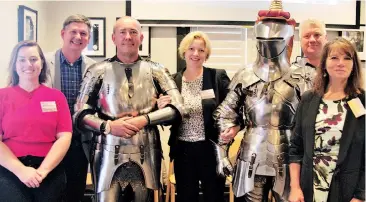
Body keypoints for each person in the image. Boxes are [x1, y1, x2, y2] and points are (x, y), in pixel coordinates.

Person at [73, 16, 185, 202]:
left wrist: (145, 119)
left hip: (146, 149)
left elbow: (178, 107)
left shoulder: (156, 70)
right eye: (122, 32)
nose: (128, 36)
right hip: (107, 148)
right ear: (113, 38)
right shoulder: (97, 70)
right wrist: (108, 126)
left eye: (133, 32)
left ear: (141, 38)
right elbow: (80, 113)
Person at [212, 1, 315, 201]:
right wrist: (222, 152)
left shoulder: (303, 75)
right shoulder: (245, 74)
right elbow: (225, 113)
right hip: (251, 152)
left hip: (289, 156)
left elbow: (311, 122)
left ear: (287, 37)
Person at [288, 37, 365, 202]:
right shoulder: (309, 99)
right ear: (324, 63)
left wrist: (360, 195)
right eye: (334, 58)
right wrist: (295, 188)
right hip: (310, 188)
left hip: (348, 191)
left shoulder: (362, 101)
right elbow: (296, 148)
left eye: (347, 58)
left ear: (354, 65)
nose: (340, 63)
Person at [157, 31, 230, 202]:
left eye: (201, 50)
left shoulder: (216, 76)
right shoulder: (173, 80)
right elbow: (168, 119)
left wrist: (232, 129)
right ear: (184, 52)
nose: (196, 54)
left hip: (210, 149)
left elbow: (231, 109)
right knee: (186, 197)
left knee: (214, 196)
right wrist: (161, 107)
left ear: (207, 54)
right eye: (191, 49)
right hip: (183, 150)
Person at [0, 40, 72, 201]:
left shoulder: (56, 97)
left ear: (41, 63)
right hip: (10, 169)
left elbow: (64, 137)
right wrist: (21, 170)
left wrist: (43, 171)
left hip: (48, 169)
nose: (28, 64)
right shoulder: (2, 96)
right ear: (14, 64)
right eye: (22, 60)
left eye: (33, 59)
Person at [45, 14, 96, 202]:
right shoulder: (43, 62)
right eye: (73, 31)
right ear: (63, 33)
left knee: (75, 191)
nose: (78, 36)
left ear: (88, 39)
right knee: (50, 192)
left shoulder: (94, 67)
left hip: (79, 141)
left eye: (83, 33)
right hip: (50, 141)